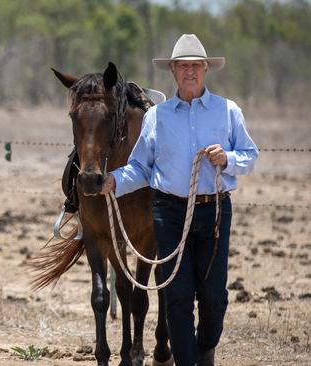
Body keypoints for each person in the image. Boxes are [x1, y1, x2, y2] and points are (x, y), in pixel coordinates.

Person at [100, 34, 258, 366]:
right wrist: (114, 181)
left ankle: (205, 348)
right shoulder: (157, 117)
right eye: (183, 66)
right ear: (172, 70)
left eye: (195, 66)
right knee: (177, 297)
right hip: (170, 211)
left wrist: (227, 158)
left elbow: (250, 156)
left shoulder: (228, 111)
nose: (189, 72)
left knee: (214, 297)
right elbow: (141, 167)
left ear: (206, 70)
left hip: (214, 209)